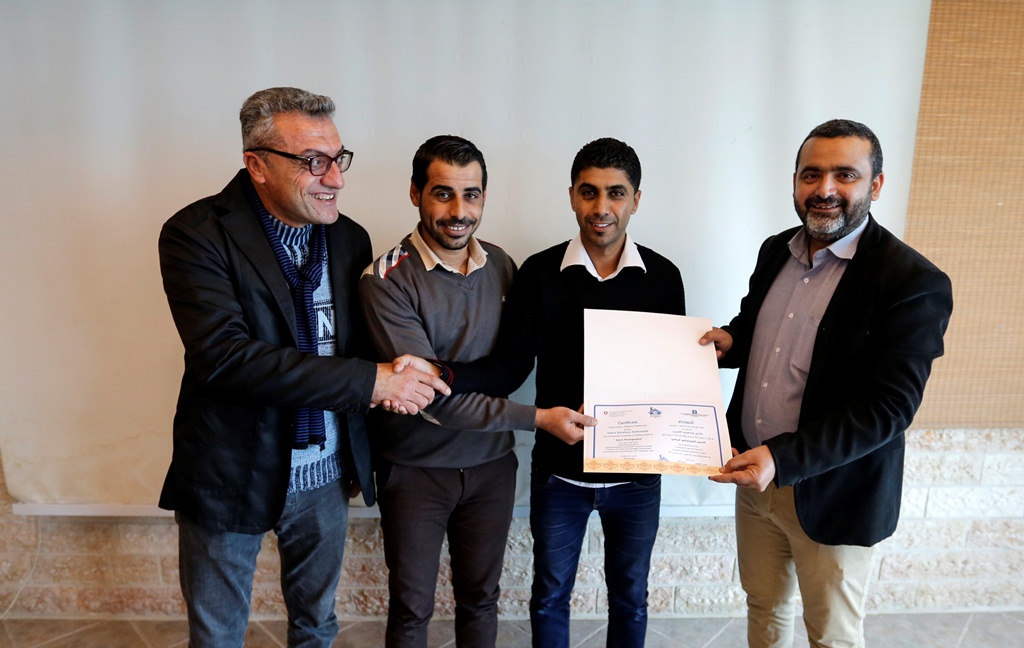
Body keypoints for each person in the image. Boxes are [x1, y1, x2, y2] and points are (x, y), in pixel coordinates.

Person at [157, 87, 449, 648]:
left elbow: (352, 348)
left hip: (325, 476)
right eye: (314, 162)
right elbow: (225, 358)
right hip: (229, 472)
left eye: (338, 159)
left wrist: (392, 377)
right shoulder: (195, 233)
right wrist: (373, 381)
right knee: (217, 637)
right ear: (257, 165)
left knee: (317, 626)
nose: (335, 178)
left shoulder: (349, 237)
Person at [414, 138, 686, 647]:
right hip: (560, 474)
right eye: (589, 192)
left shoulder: (664, 279)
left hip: (637, 477)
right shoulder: (540, 273)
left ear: (636, 199)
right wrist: (445, 373)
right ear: (571, 196)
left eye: (616, 193)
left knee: (631, 597)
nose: (601, 208)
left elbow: (672, 382)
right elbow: (508, 368)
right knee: (550, 595)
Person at [700, 119, 953, 648]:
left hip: (837, 494)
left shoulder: (912, 281)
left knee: (831, 637)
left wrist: (782, 458)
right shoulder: (777, 250)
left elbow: (889, 408)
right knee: (764, 610)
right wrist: (731, 341)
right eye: (811, 174)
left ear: (875, 185)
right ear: (795, 181)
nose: (825, 189)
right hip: (754, 481)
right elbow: (761, 328)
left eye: (845, 175)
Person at [358, 135, 596, 648]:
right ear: (415, 193)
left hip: (491, 469)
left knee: (482, 599)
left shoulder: (503, 266)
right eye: (442, 193)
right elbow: (431, 398)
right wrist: (540, 418)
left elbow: (508, 367)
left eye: (471, 195)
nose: (459, 212)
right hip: (416, 470)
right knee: (411, 609)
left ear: (484, 197)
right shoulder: (385, 279)